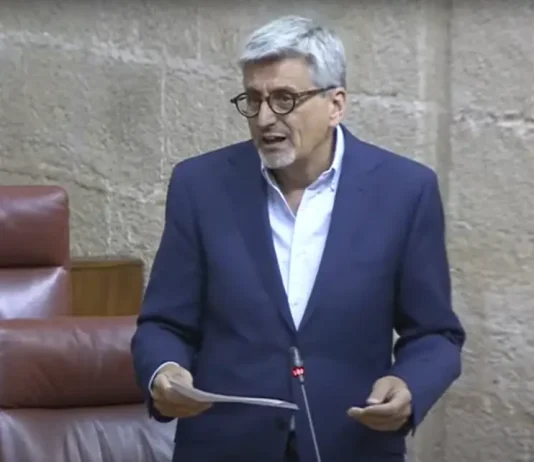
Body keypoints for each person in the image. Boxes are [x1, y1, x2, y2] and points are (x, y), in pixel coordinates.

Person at [130, 15, 465, 462]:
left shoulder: (405, 191)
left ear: (335, 105)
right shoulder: (200, 186)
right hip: (226, 446)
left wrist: (409, 385)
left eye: (284, 99)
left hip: (350, 443)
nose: (265, 118)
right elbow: (164, 323)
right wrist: (164, 372)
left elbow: (436, 334)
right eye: (254, 99)